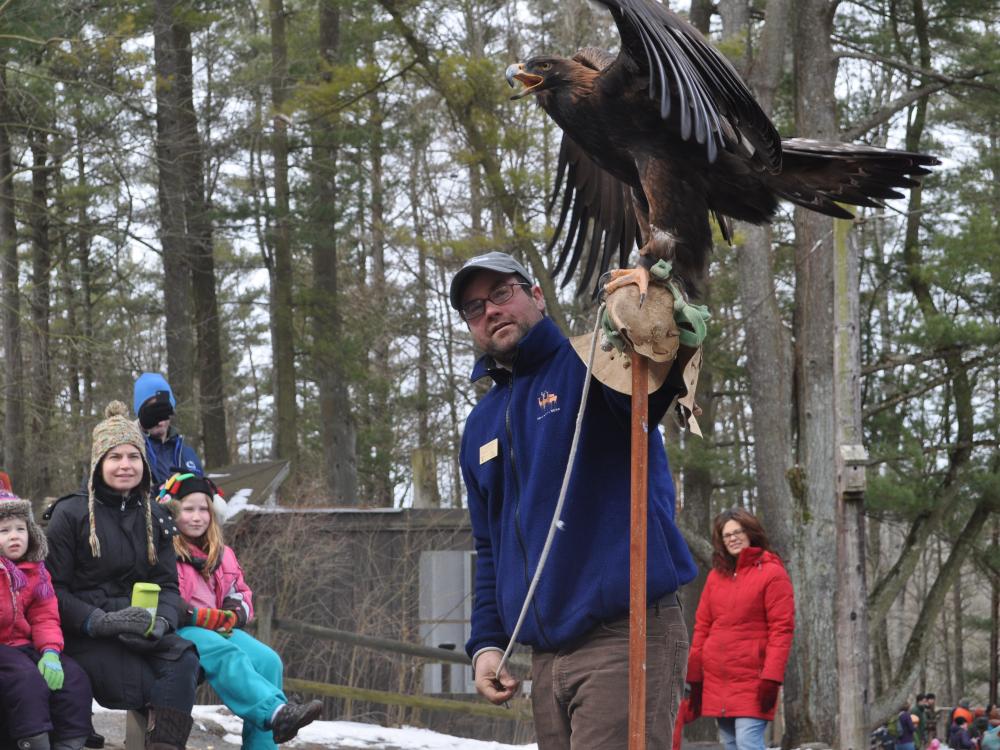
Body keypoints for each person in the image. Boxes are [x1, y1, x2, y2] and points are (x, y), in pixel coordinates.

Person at [451, 251, 698, 749]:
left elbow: (655, 378)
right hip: (546, 658)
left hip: (624, 635)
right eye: (475, 308)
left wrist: (651, 306)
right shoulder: (481, 425)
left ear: (536, 295)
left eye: (502, 293)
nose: (491, 311)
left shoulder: (595, 363)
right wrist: (486, 644)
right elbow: (489, 549)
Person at [45, 402, 201, 750]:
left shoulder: (156, 515)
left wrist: (162, 620)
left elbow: (168, 585)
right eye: (115, 457)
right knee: (142, 678)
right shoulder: (69, 514)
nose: (125, 465)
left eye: (133, 456)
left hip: (140, 629)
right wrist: (99, 621)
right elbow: (52, 589)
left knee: (185, 657)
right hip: (86, 632)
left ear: (144, 463)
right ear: (99, 463)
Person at [156, 473, 322, 748]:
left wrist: (233, 613)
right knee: (225, 652)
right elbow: (162, 595)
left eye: (203, 509)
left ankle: (263, 745)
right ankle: (275, 712)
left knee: (269, 661)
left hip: (218, 627)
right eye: (188, 509)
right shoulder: (162, 549)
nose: (197, 517)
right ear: (172, 511)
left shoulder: (222, 553)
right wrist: (196, 616)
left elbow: (241, 593)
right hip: (180, 629)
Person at [683, 508, 795, 750]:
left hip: (753, 680)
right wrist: (695, 677)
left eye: (738, 532)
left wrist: (772, 678)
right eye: (727, 535)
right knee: (730, 743)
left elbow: (782, 629)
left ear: (750, 533)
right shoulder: (716, 577)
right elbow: (702, 627)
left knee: (747, 743)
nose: (733, 538)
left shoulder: (772, 573)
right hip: (717, 680)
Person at [0, 491, 93, 750]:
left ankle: (71, 741)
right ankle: (33, 741)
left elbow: (45, 616)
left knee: (73, 676)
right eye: (4, 530)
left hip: (23, 643)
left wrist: (50, 651)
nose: (14, 535)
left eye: (20, 528)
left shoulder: (36, 572)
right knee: (25, 678)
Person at [133, 373, 204, 487]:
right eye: (152, 411)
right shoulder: (130, 452)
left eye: (163, 410)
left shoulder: (187, 453)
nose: (159, 420)